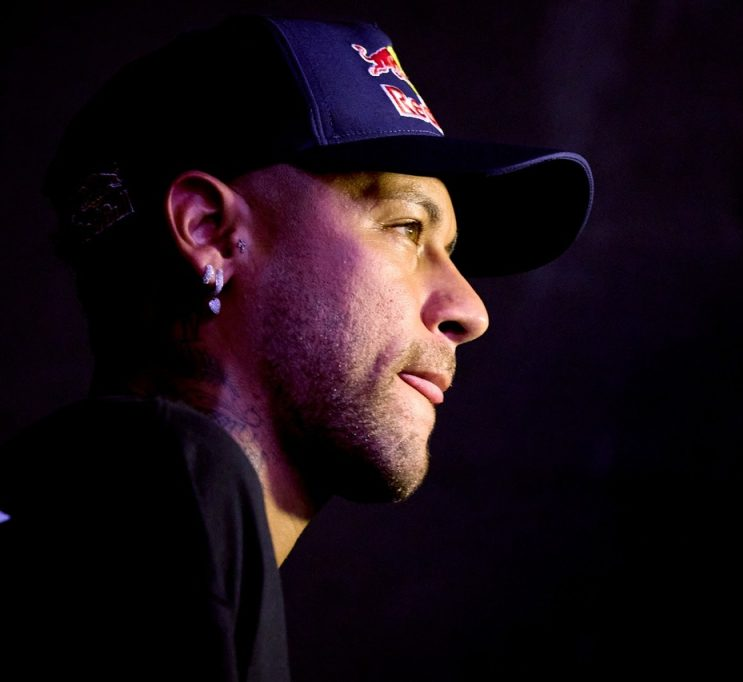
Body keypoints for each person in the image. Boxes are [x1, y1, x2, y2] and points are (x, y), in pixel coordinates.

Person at [0, 14, 593, 681]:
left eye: (450, 252)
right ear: (210, 231)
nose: (470, 310)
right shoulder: (166, 481)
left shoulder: (98, 527)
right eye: (406, 227)